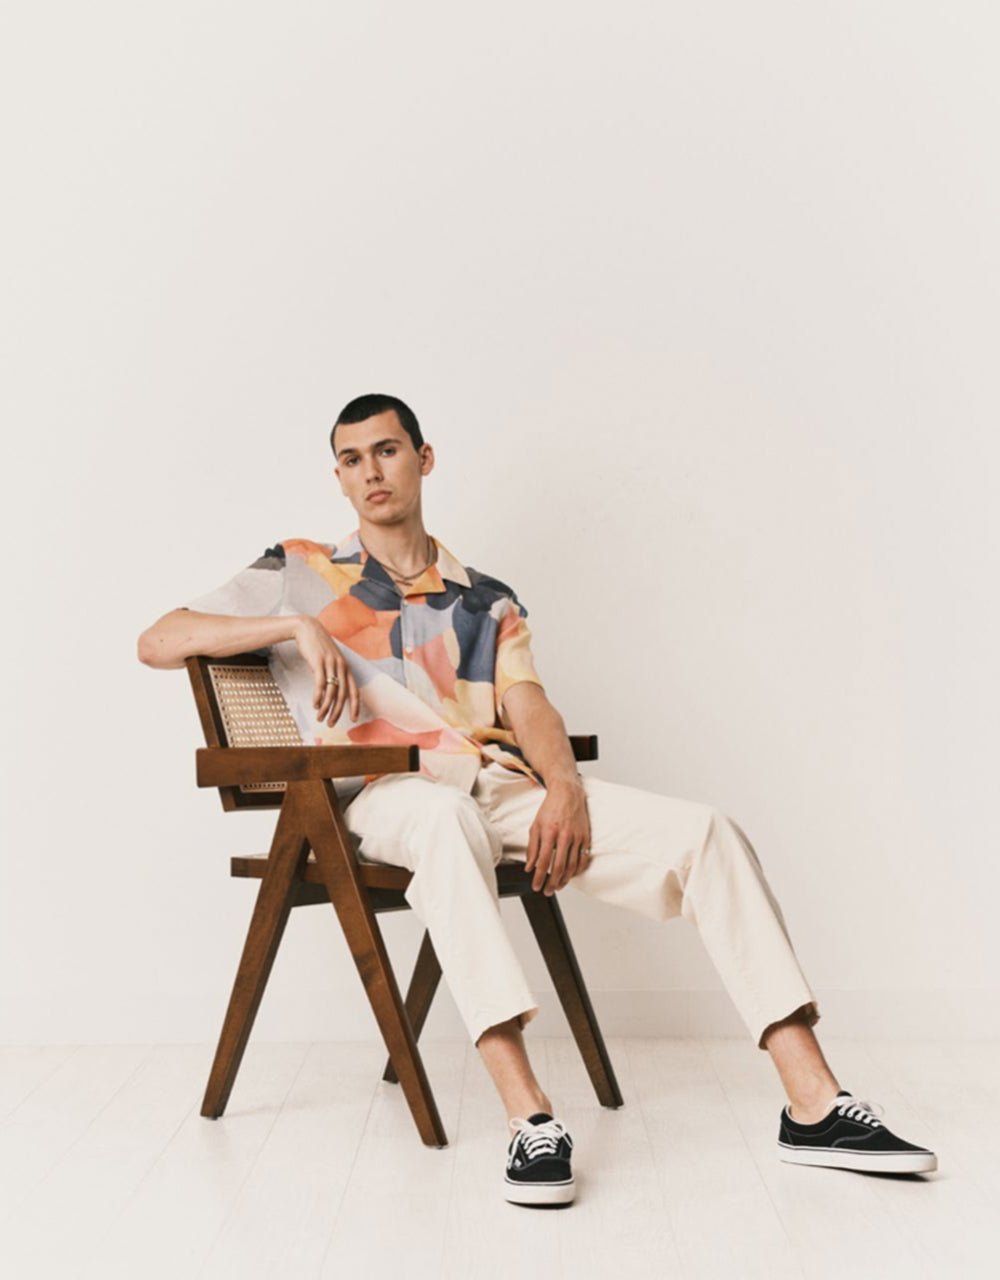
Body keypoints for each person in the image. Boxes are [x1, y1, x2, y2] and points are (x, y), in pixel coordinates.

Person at [137, 392, 938, 1206]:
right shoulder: (299, 571)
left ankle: (814, 1104)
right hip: (381, 795)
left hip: (493, 785)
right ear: (338, 478)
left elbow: (530, 706)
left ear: (423, 458)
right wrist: (293, 629)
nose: (370, 471)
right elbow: (158, 639)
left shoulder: (485, 598)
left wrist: (564, 787)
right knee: (444, 819)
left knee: (706, 833)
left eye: (386, 450)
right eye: (352, 459)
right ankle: (530, 1118)